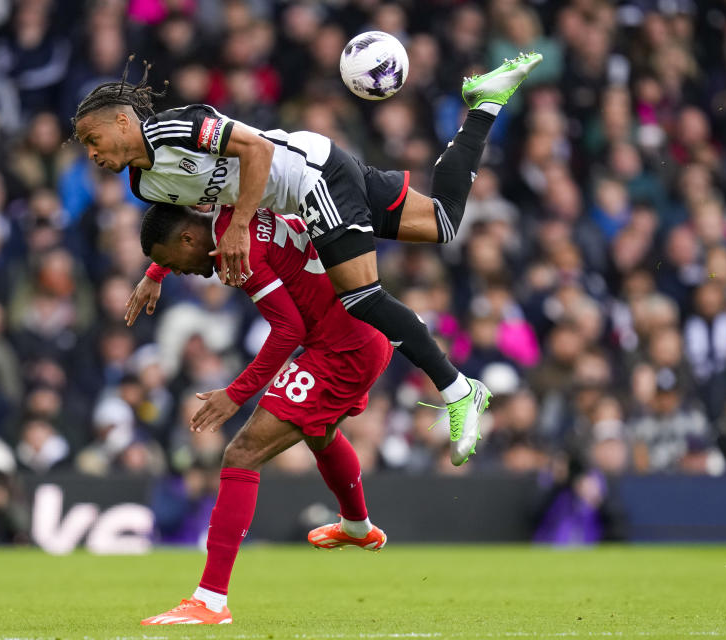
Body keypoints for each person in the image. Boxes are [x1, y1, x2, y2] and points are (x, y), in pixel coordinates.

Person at [73, 52, 543, 464]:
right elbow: (182, 231)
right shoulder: (143, 183)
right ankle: (486, 104)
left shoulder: (174, 129)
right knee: (442, 222)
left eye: (92, 139)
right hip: (315, 175)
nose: (91, 152)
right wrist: (156, 271)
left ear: (122, 123)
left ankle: (459, 391)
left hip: (309, 176)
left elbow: (256, 149)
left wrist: (239, 227)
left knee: (360, 297)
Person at [134, 203, 393, 625]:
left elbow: (288, 329)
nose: (178, 272)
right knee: (319, 432)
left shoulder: (241, 251)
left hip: (340, 346)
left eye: (171, 263)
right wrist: (155, 272)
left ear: (186, 240)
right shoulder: (233, 207)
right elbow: (183, 209)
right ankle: (357, 525)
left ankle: (211, 600)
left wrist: (235, 395)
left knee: (241, 454)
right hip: (360, 327)